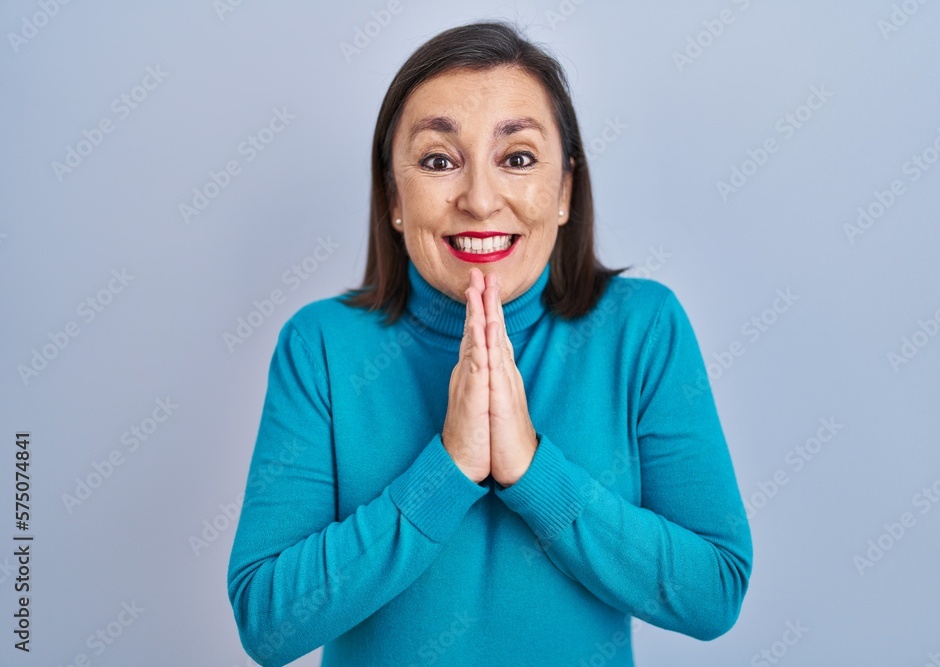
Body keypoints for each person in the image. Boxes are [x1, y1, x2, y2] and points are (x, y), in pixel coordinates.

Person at [227, 20, 752, 667]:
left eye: (519, 158)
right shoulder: (322, 345)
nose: (479, 199)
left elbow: (714, 591)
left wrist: (533, 470)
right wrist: (447, 469)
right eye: (439, 160)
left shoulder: (642, 328)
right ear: (394, 196)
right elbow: (268, 624)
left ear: (563, 191)